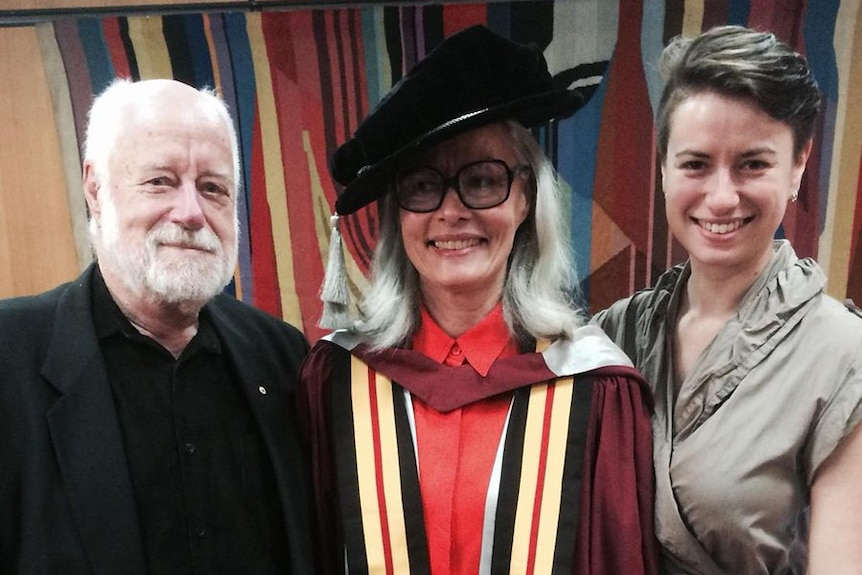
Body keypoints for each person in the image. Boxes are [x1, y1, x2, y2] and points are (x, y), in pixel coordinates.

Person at [298, 25, 658, 575]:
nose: (451, 211)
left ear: (526, 199)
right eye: (421, 185)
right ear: (398, 216)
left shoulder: (595, 389)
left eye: (483, 180)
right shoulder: (337, 383)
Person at [0, 78, 315, 574]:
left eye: (212, 188)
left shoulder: (282, 355)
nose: (192, 213)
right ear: (96, 188)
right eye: (160, 182)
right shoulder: (9, 358)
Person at [592, 25, 862, 574]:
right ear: (664, 165)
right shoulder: (611, 336)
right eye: (695, 164)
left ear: (799, 165)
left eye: (752, 164)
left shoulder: (843, 357)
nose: (721, 197)